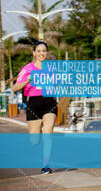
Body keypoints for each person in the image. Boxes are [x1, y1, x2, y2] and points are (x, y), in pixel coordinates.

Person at [11, 41, 57, 174]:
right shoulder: (27, 69)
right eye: (39, 51)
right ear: (34, 53)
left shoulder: (52, 68)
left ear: (47, 53)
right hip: (33, 105)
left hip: (49, 103)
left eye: (44, 51)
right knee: (35, 141)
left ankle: (45, 165)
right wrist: (26, 81)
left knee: (48, 133)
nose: (42, 53)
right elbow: (14, 88)